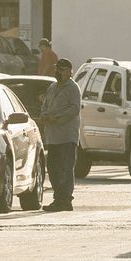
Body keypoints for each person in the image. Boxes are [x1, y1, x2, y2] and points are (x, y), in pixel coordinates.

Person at [38, 58, 80, 212]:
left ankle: (66, 200)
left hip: (67, 136)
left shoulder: (73, 88)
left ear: (69, 72)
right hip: (52, 136)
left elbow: (75, 109)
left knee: (66, 168)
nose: (58, 72)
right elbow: (45, 106)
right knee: (53, 168)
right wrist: (44, 115)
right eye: (57, 69)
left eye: (61, 69)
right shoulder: (52, 87)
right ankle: (58, 199)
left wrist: (58, 118)